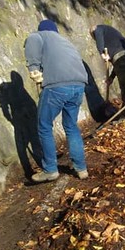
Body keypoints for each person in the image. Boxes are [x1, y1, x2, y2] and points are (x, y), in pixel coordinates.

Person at [24, 19, 89, 182]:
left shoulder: (39, 35)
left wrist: (33, 69)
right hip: (79, 85)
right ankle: (81, 168)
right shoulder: (65, 42)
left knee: (44, 125)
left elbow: (32, 42)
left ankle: (50, 169)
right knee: (71, 126)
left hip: (57, 86)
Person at [90, 24, 125, 120]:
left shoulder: (98, 29)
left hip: (123, 58)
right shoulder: (111, 34)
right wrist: (111, 77)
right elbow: (118, 63)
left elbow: (97, 32)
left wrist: (102, 54)